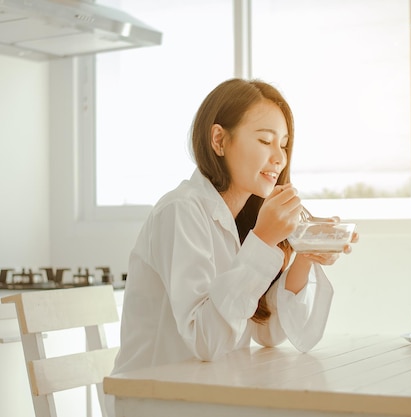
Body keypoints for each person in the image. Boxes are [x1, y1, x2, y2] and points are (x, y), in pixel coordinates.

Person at [111, 78, 357, 379]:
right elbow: (206, 341)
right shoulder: (180, 211)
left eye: (284, 145)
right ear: (219, 140)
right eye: (265, 141)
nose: (279, 158)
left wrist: (305, 254)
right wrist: (264, 241)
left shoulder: (244, 218)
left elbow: (267, 332)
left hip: (212, 389)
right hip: (154, 397)